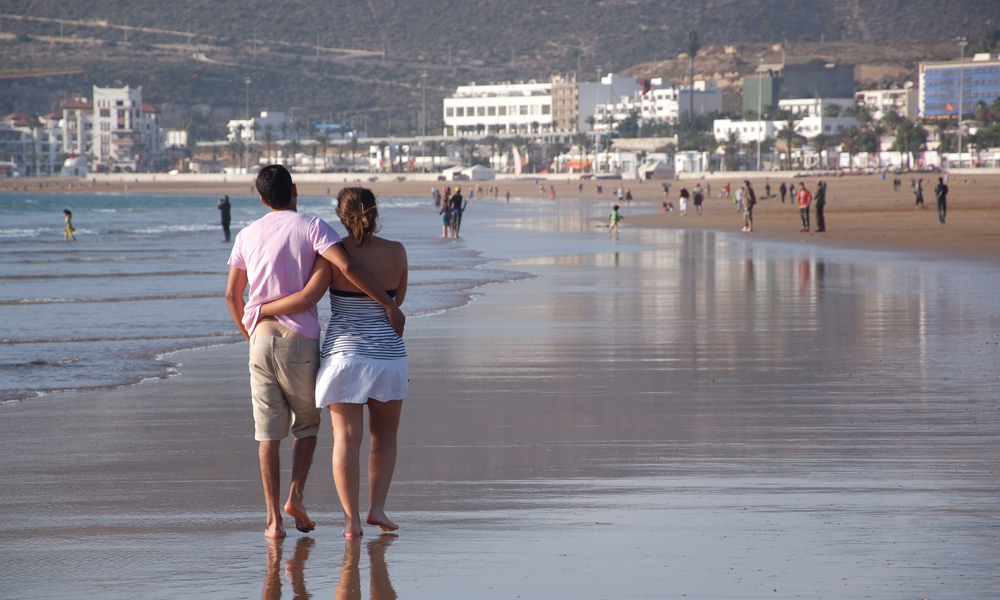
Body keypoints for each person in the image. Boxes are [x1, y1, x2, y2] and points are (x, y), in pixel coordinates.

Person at [225, 165, 403, 539]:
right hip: (340, 345)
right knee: (340, 430)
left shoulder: (250, 235)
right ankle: (335, 503)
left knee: (282, 434)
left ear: (261, 199)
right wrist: (386, 305)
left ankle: (297, 522)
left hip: (291, 346)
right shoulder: (320, 231)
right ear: (294, 190)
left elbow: (236, 295)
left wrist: (254, 319)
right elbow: (369, 283)